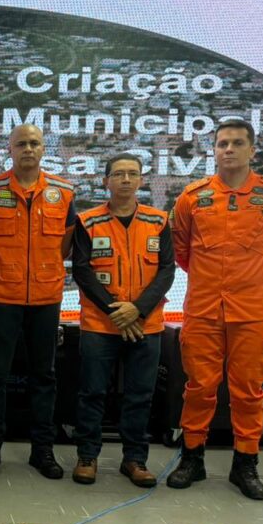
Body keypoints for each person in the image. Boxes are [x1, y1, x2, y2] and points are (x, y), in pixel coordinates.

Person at [168, 119, 263, 500]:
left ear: (252, 151)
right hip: (203, 309)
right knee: (199, 387)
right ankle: (191, 459)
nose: (229, 149)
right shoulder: (192, 197)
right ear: (213, 150)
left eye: (237, 143)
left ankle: (245, 464)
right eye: (222, 143)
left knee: (248, 391)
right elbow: (182, 253)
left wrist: (256, 275)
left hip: (252, 311)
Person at [0, 124, 76, 479]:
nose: (28, 149)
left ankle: (42, 451)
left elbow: (65, 242)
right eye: (21, 144)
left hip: (45, 296)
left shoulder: (63, 192)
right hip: (1, 294)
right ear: (10, 149)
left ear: (44, 148)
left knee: (44, 376)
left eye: (34, 143)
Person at [71, 153, 174, 487]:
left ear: (141, 180)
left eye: (132, 174)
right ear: (106, 181)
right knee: (92, 393)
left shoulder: (159, 221)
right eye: (118, 174)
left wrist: (138, 310)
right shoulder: (88, 222)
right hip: (101, 324)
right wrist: (118, 311)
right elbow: (83, 271)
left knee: (140, 394)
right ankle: (87, 456)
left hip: (147, 324)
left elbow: (167, 270)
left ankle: (135, 459)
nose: (126, 180)